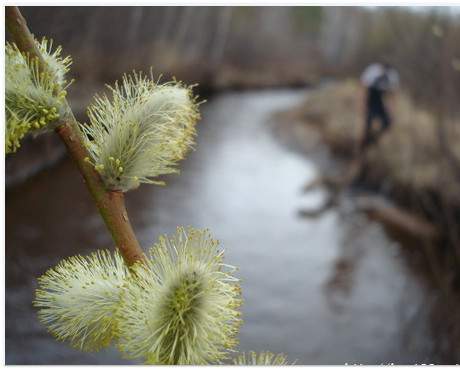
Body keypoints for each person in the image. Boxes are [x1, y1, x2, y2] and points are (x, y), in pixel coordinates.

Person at [360, 61, 399, 149]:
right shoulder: (373, 71)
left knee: (388, 122)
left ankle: (375, 139)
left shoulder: (392, 75)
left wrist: (393, 110)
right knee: (368, 122)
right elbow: (363, 88)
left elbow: (393, 94)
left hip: (381, 99)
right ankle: (364, 142)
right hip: (371, 98)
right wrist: (362, 104)